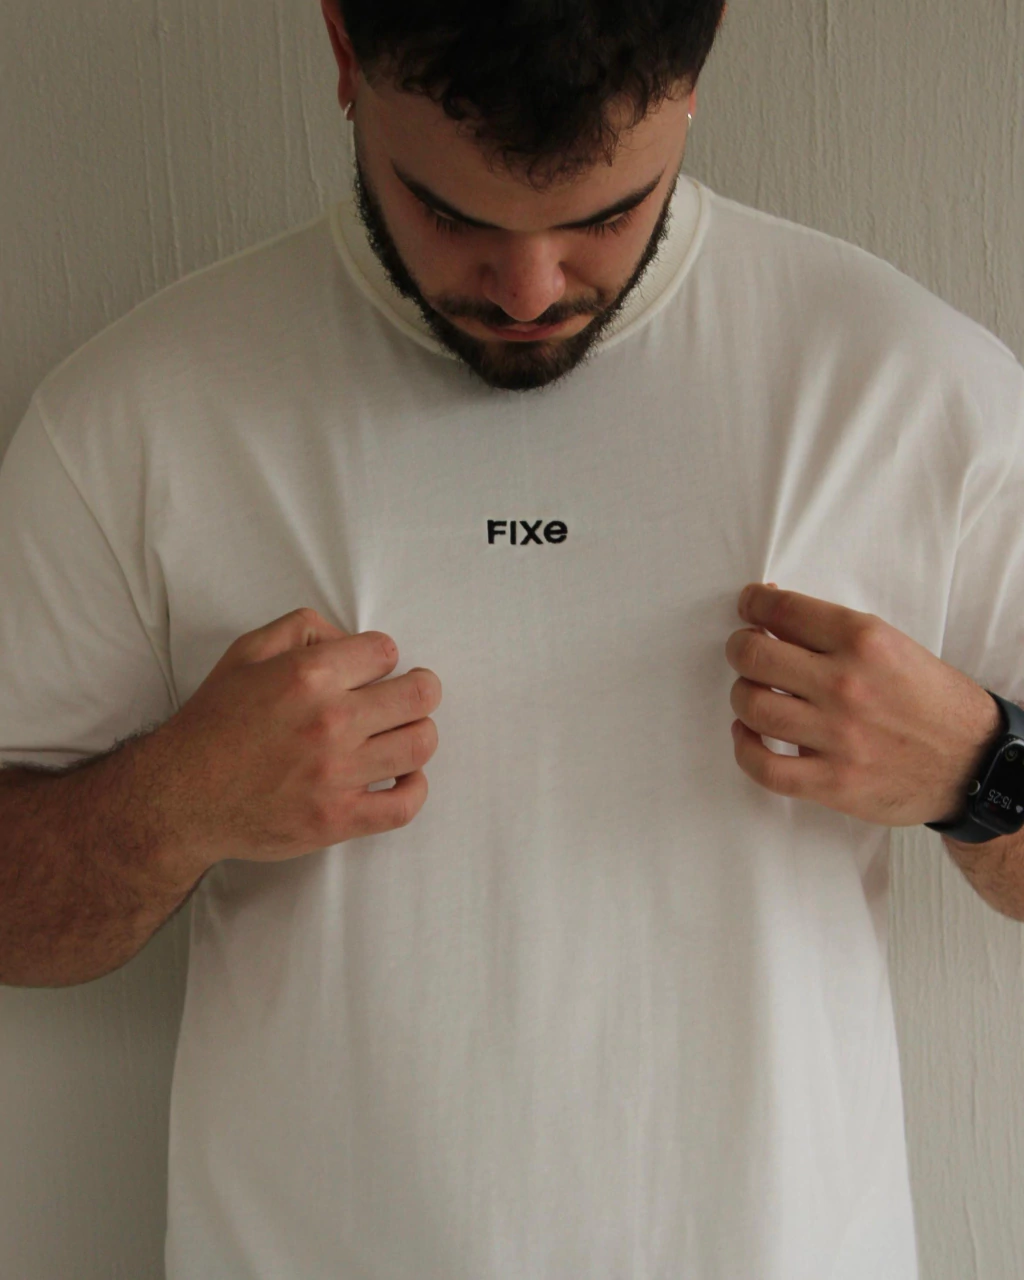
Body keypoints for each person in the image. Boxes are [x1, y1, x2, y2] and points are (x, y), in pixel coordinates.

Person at [1, 1, 1023, 1276]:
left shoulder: (913, 386)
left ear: (697, 69)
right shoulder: (138, 409)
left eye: (607, 214)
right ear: (343, 52)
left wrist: (980, 769)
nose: (530, 291)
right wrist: (175, 802)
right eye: (451, 214)